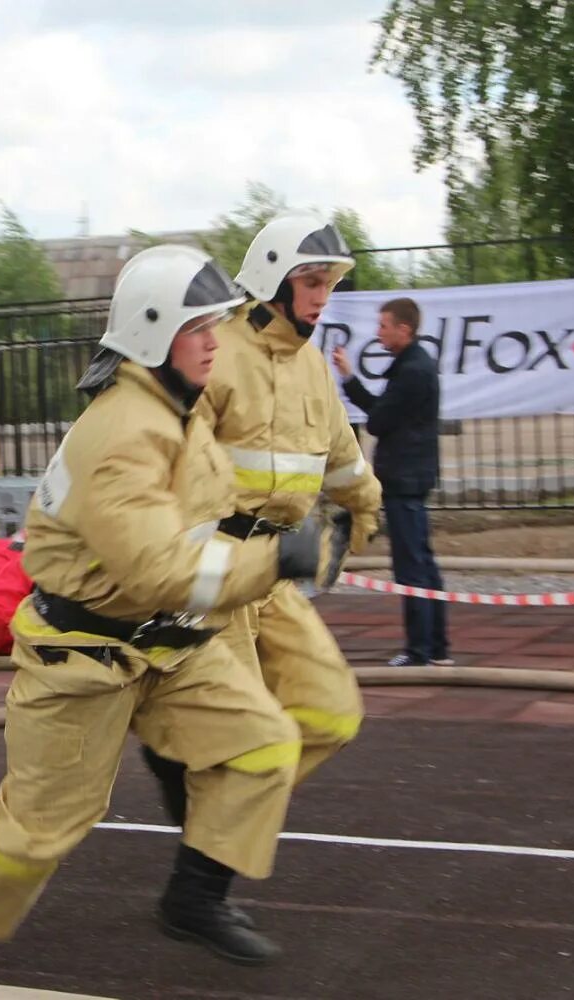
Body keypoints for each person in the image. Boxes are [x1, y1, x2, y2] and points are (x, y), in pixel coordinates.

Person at [0, 245, 353, 983]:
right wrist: (280, 560)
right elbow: (159, 569)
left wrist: (284, 540)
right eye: (198, 328)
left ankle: (193, 900)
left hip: (173, 649)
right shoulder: (121, 432)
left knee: (265, 746)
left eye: (216, 325)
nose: (216, 340)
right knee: (41, 829)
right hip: (85, 658)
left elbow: (203, 533)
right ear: (152, 334)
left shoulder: (178, 414)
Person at [140, 217, 384, 820]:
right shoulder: (218, 355)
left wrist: (362, 511)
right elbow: (176, 466)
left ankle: (211, 807)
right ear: (274, 280)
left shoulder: (312, 369)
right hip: (218, 575)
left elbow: (344, 461)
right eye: (311, 280)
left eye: (328, 282)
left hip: (276, 575)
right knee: (242, 732)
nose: (323, 295)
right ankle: (204, 873)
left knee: (330, 709)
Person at [333, 297, 451, 667]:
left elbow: (379, 421)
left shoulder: (412, 370)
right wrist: (350, 379)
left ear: (404, 328)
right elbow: (382, 413)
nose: (378, 332)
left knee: (412, 565)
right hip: (411, 476)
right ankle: (436, 646)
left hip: (405, 478)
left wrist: (351, 381)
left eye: (384, 325)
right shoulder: (412, 365)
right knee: (422, 561)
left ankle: (420, 650)